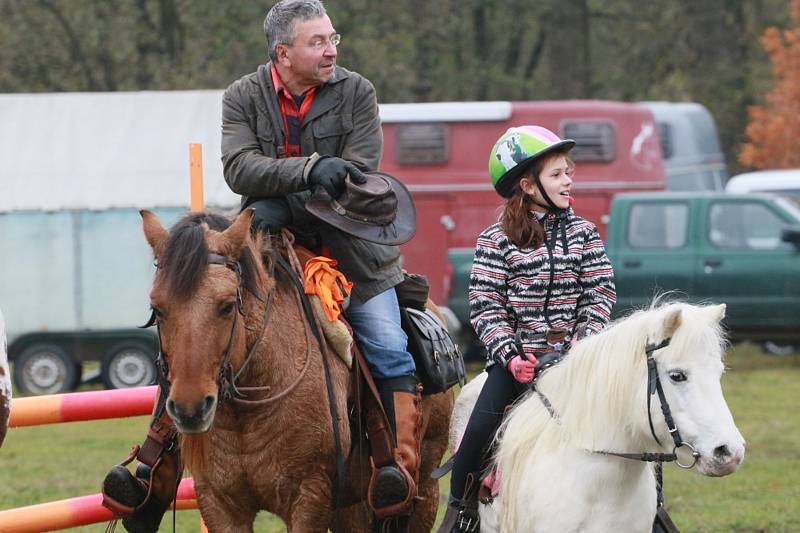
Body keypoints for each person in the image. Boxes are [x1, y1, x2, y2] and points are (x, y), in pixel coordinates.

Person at [101, 1, 422, 529]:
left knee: (388, 344)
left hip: (351, 249)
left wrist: (289, 190)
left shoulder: (358, 91)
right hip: (264, 240)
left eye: (332, 37)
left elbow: (357, 177)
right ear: (283, 52)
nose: (331, 49)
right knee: (201, 325)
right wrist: (314, 169)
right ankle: (152, 472)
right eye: (317, 41)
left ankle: (395, 469)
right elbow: (238, 165)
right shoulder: (243, 95)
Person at [438, 125, 617, 532]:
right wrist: (512, 356)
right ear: (527, 184)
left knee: (633, 419)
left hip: (577, 362)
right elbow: (485, 306)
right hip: (520, 362)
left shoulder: (584, 234)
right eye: (557, 174)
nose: (568, 180)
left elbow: (600, 293)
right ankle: (461, 511)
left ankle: (652, 509)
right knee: (479, 430)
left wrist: (583, 343)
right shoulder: (495, 241)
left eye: (568, 172)